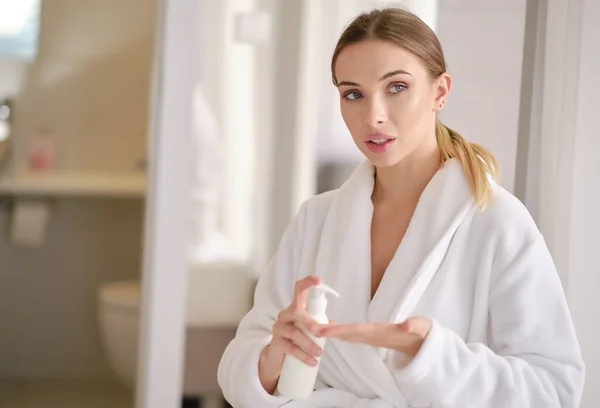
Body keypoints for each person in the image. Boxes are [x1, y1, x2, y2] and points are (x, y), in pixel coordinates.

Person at [217, 7, 585, 408]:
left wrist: (431, 355)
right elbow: (241, 361)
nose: (373, 116)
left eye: (396, 87)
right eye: (353, 94)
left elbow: (554, 390)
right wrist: (272, 357)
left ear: (440, 92)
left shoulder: (498, 222)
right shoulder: (316, 221)